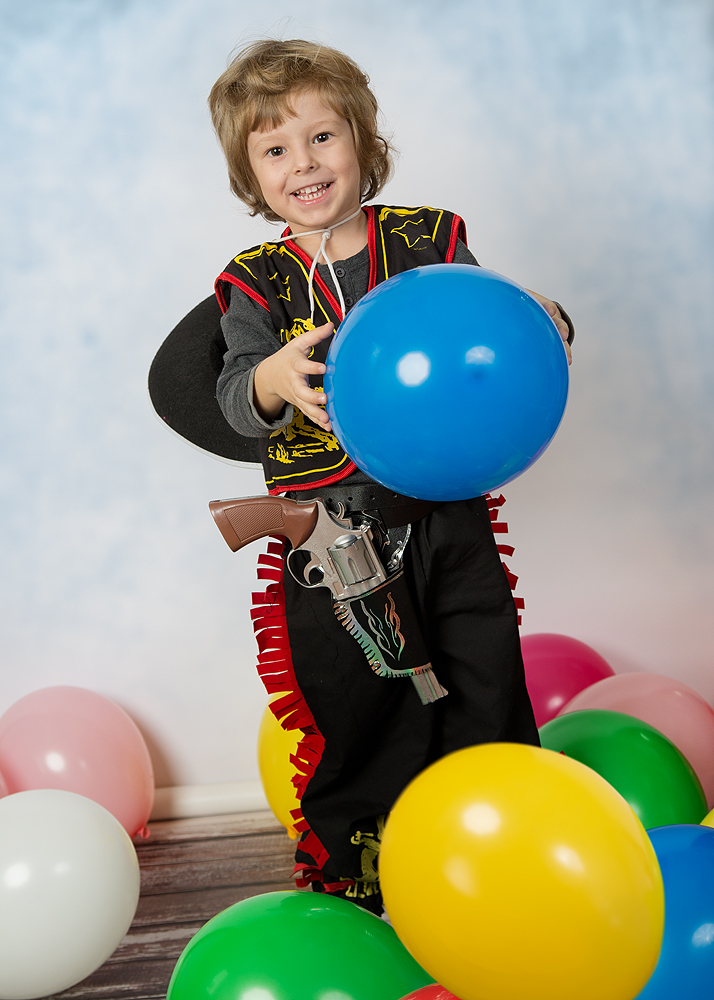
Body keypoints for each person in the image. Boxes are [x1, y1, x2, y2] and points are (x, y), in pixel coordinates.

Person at [182, 38, 573, 914]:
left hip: (445, 514)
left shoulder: (429, 240)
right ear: (250, 174)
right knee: (355, 695)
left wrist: (544, 318)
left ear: (362, 139)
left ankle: (498, 835)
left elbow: (494, 327)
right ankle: (361, 863)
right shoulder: (256, 282)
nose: (304, 163)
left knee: (483, 671)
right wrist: (271, 379)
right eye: (275, 149)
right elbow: (234, 398)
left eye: (322, 137)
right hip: (333, 534)